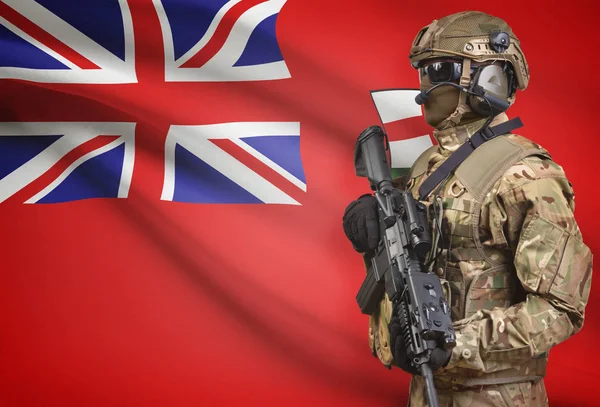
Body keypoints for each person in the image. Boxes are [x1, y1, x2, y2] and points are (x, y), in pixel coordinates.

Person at [342, 11, 593, 407]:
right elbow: (418, 267)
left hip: (499, 396)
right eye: (423, 71)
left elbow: (560, 308)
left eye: (438, 68)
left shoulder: (527, 175)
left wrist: (456, 343)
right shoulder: (427, 165)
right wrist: (373, 234)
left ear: (486, 77)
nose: (425, 86)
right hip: (427, 390)